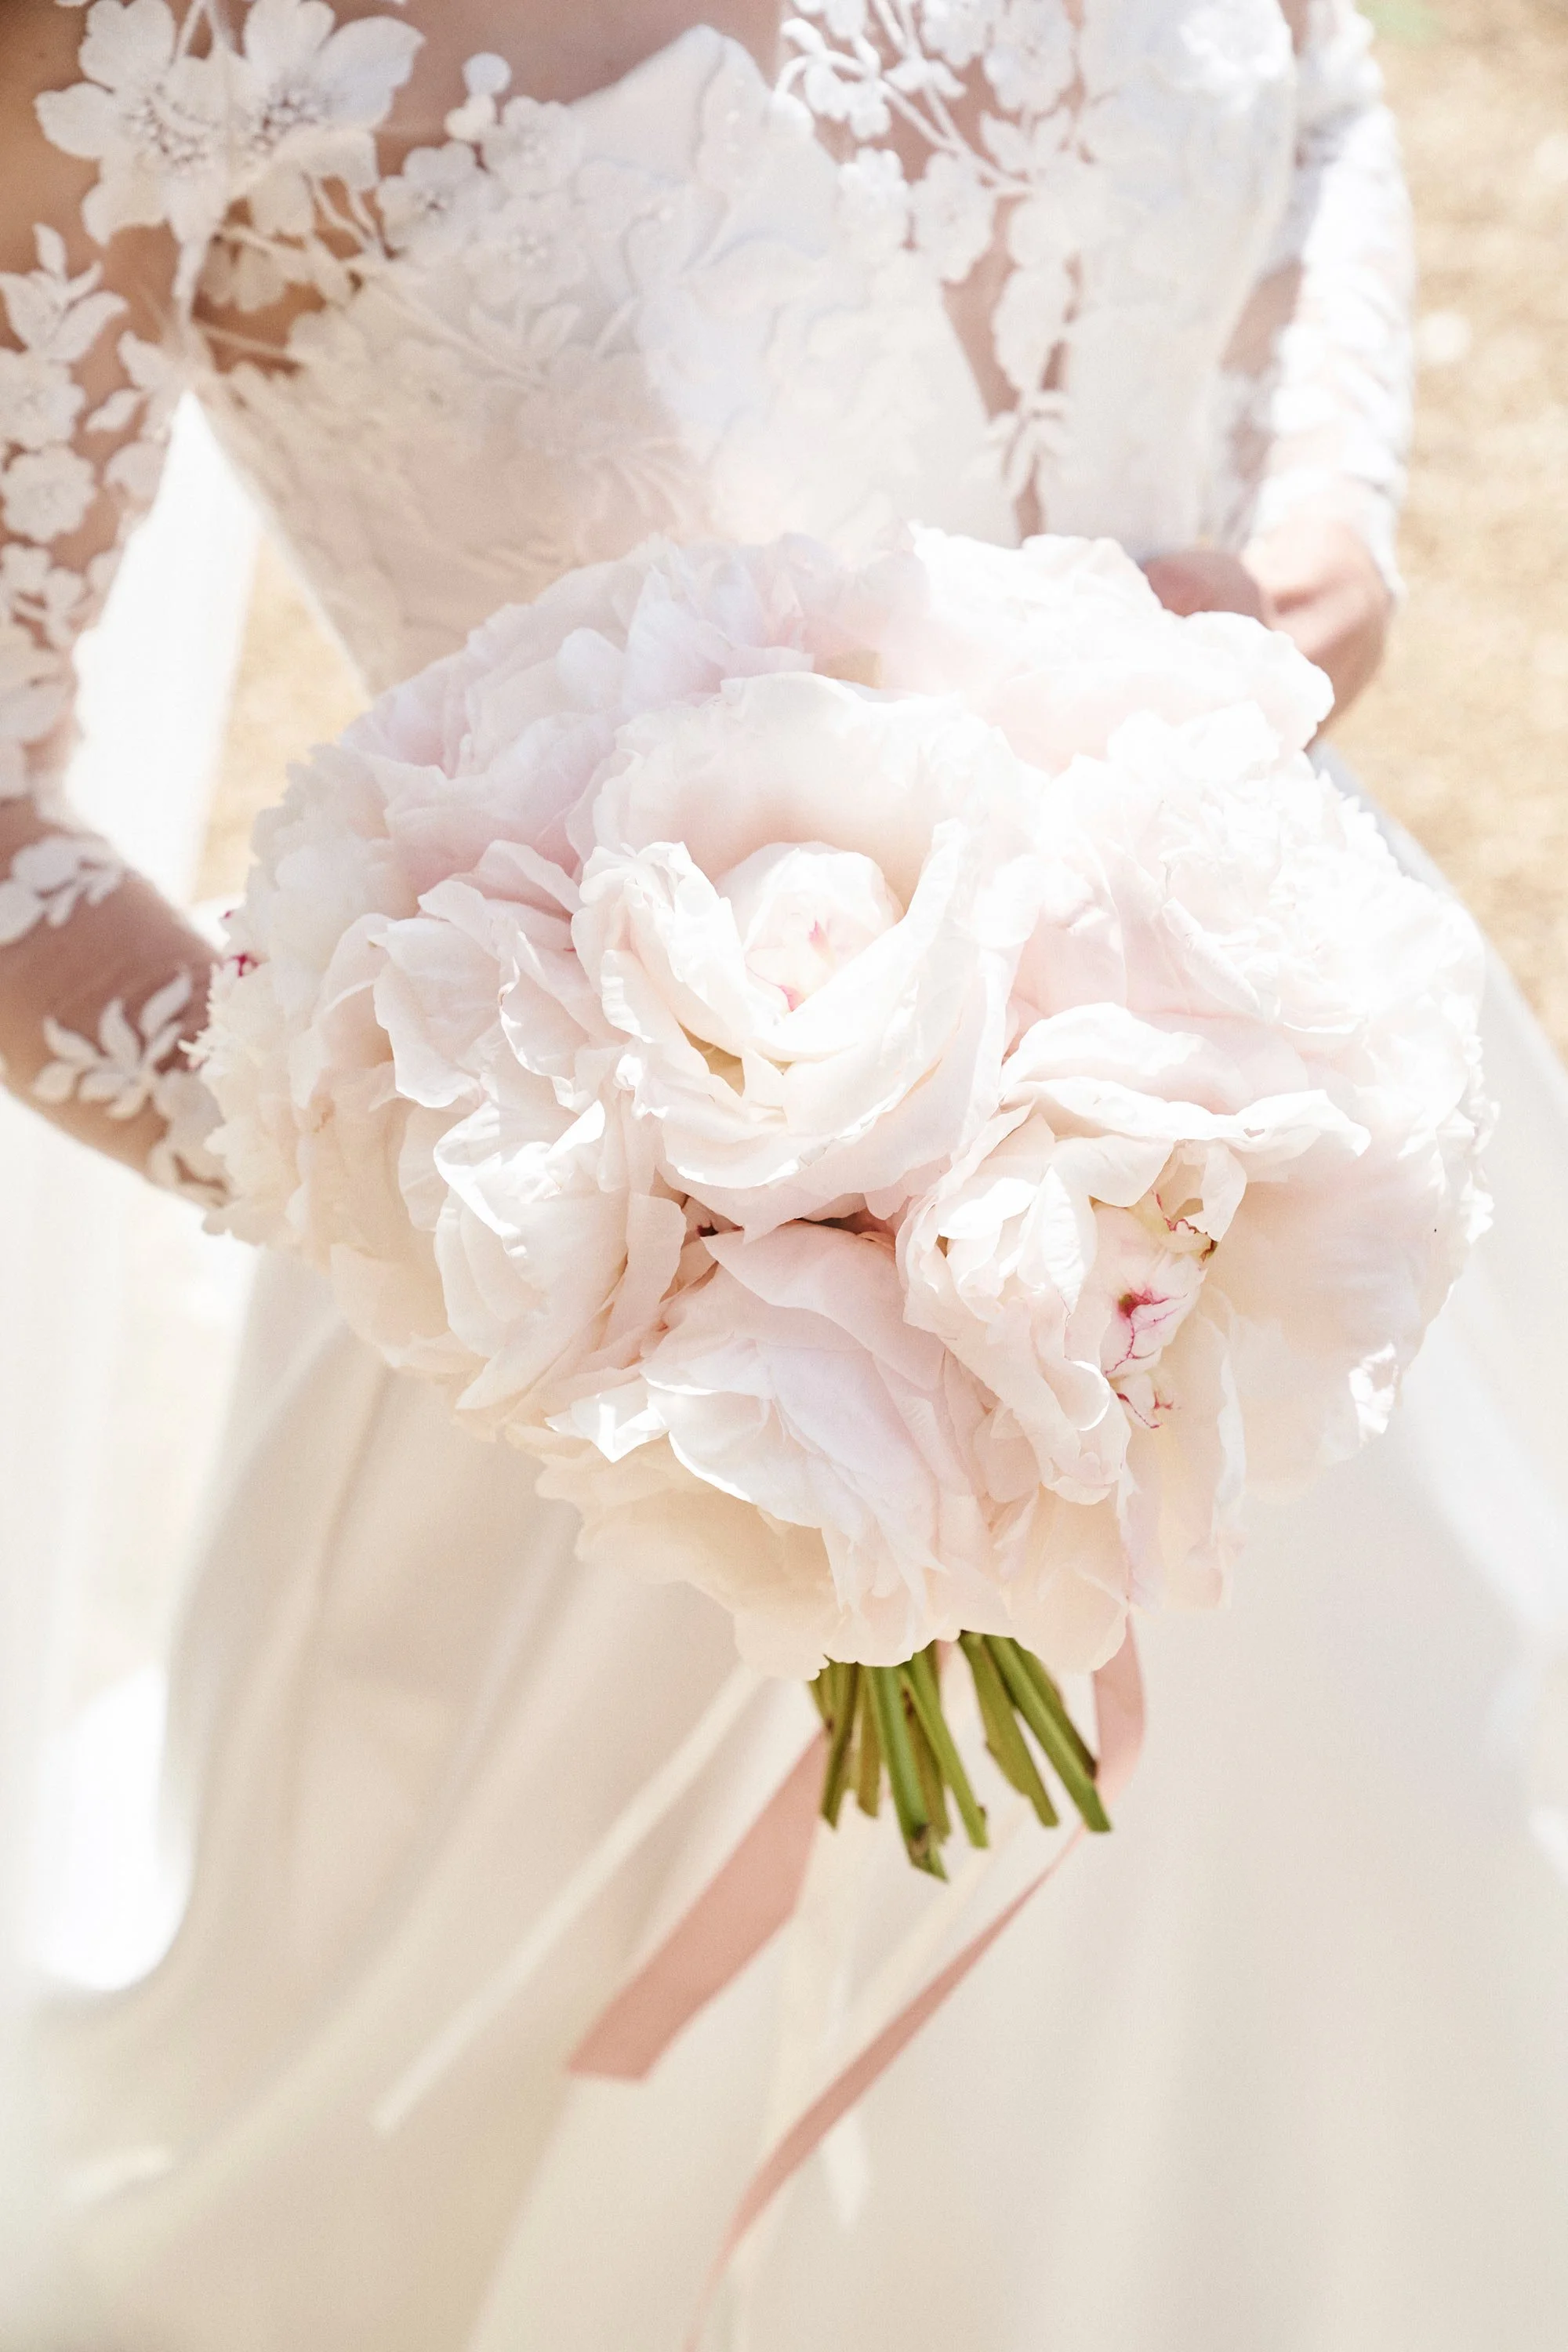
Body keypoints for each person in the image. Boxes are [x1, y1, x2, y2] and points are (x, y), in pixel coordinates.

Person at [2, 3, 1567, 2346]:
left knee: (1408, 1959)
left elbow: (1316, 82)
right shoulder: (153, 44)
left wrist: (1326, 517)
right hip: (600, 1384)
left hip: (1282, 1153)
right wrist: (492, 1198)